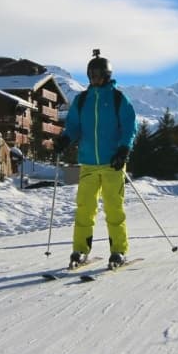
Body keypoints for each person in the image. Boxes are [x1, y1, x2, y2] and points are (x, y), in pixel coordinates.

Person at [55, 49, 137, 270]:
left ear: (107, 75)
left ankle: (118, 250)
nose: (94, 78)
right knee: (84, 208)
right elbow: (73, 126)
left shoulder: (118, 98)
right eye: (91, 75)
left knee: (114, 208)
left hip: (113, 163)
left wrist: (124, 149)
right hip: (89, 163)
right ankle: (80, 250)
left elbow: (129, 126)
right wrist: (64, 140)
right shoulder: (82, 101)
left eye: (98, 74)